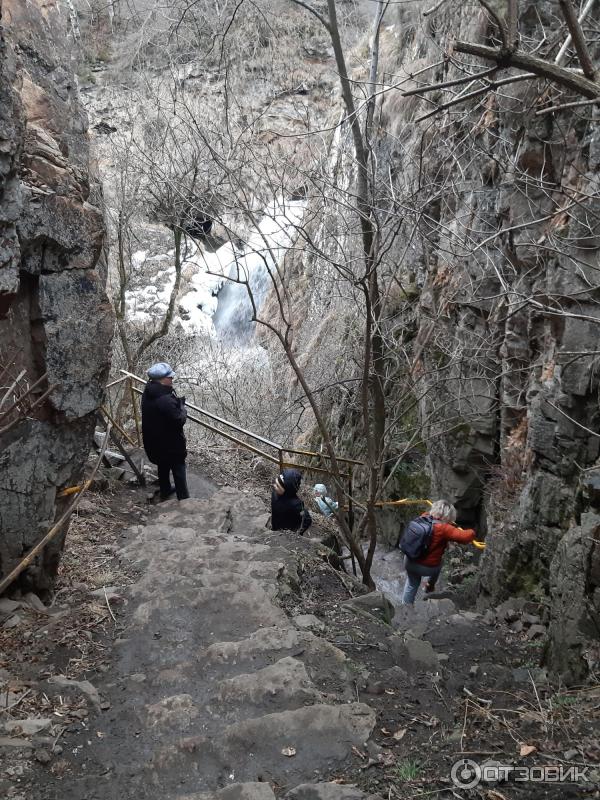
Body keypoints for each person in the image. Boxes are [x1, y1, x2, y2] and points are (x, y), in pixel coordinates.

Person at [401, 499, 475, 604]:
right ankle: (429, 586)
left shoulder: (423, 517)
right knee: (439, 564)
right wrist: (473, 531)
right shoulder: (444, 529)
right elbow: (466, 537)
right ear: (449, 516)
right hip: (426, 568)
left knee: (411, 584)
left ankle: (405, 608)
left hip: (409, 560)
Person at [141, 362, 190, 501]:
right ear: (162, 380)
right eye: (170, 377)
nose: (172, 379)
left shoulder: (149, 391)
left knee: (163, 466)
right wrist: (182, 407)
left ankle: (165, 490)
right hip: (171, 445)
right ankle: (184, 500)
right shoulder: (165, 400)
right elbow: (179, 420)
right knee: (179, 470)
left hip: (155, 442)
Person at [271, 468, 312, 534]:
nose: (274, 486)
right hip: (275, 527)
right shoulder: (275, 494)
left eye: (278, 486)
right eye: (275, 483)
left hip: (288, 534)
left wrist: (298, 532)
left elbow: (307, 519)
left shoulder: (296, 504)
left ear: (288, 489)